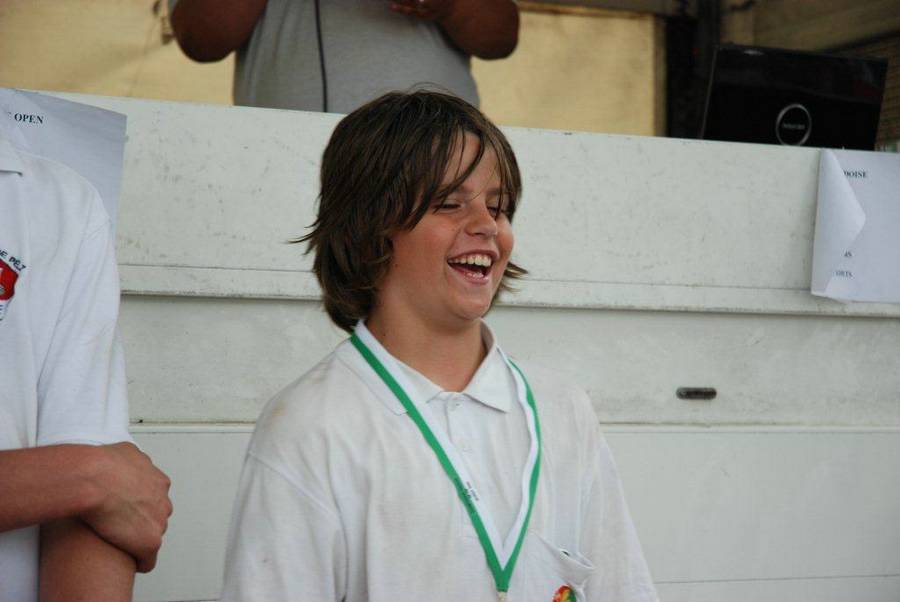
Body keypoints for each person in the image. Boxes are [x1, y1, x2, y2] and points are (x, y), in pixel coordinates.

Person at [221, 91, 658, 601]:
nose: (487, 225)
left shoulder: (561, 408)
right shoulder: (311, 425)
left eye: (499, 206)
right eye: (449, 203)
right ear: (371, 226)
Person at [0, 133, 172, 601]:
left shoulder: (59, 201)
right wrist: (85, 476)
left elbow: (110, 503)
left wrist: (89, 479)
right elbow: (107, 480)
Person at [168, 0, 518, 113]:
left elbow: (501, 37)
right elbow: (201, 39)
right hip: (284, 157)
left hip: (432, 157)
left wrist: (451, 5)